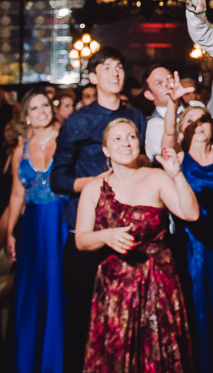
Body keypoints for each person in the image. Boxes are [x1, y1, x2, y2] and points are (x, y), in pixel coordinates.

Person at [75, 118, 198, 372]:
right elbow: (81, 239)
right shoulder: (94, 188)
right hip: (115, 285)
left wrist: (176, 175)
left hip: (157, 281)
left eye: (131, 137)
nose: (126, 143)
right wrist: (105, 236)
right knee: (116, 354)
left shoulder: (157, 178)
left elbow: (190, 213)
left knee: (157, 351)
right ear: (106, 149)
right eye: (117, 139)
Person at [50, 47, 146, 373]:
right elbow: (58, 179)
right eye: (107, 68)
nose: (116, 73)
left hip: (129, 226)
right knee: (83, 314)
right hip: (88, 229)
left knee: (128, 315)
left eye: (119, 67)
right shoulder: (79, 121)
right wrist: (98, 182)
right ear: (93, 77)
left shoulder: (135, 117)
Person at [158, 90, 213, 373]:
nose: (197, 126)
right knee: (199, 304)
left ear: (212, 127)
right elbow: (167, 142)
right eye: (190, 121)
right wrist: (172, 105)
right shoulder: (179, 159)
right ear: (183, 129)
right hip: (193, 244)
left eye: (203, 120)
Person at [6, 87, 65, 373]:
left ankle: (58, 360)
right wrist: (9, 232)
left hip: (61, 222)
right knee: (32, 291)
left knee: (59, 288)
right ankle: (29, 361)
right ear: (26, 116)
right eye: (34, 108)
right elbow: (17, 195)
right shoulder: (22, 150)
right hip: (31, 227)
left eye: (45, 106)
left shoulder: (66, 141)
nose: (41, 112)